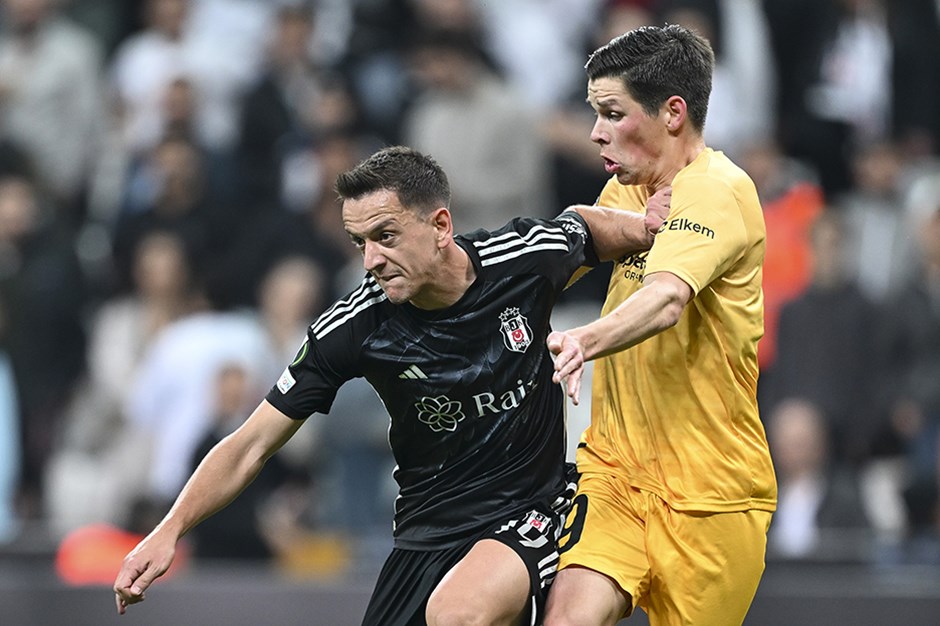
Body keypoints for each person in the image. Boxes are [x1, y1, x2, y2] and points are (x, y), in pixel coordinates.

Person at [113, 145, 669, 625]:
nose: (372, 260)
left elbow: (582, 227)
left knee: (458, 613)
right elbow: (250, 443)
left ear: (441, 226)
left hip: (533, 508)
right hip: (427, 533)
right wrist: (169, 529)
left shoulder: (521, 259)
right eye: (360, 243)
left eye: (386, 236)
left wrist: (643, 229)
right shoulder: (355, 326)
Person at [544, 25, 776, 626]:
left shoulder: (720, 190)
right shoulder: (624, 192)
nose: (595, 132)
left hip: (712, 494)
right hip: (614, 474)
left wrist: (583, 339)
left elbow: (667, 297)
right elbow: (553, 261)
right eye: (595, 113)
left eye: (612, 113)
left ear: (673, 113)